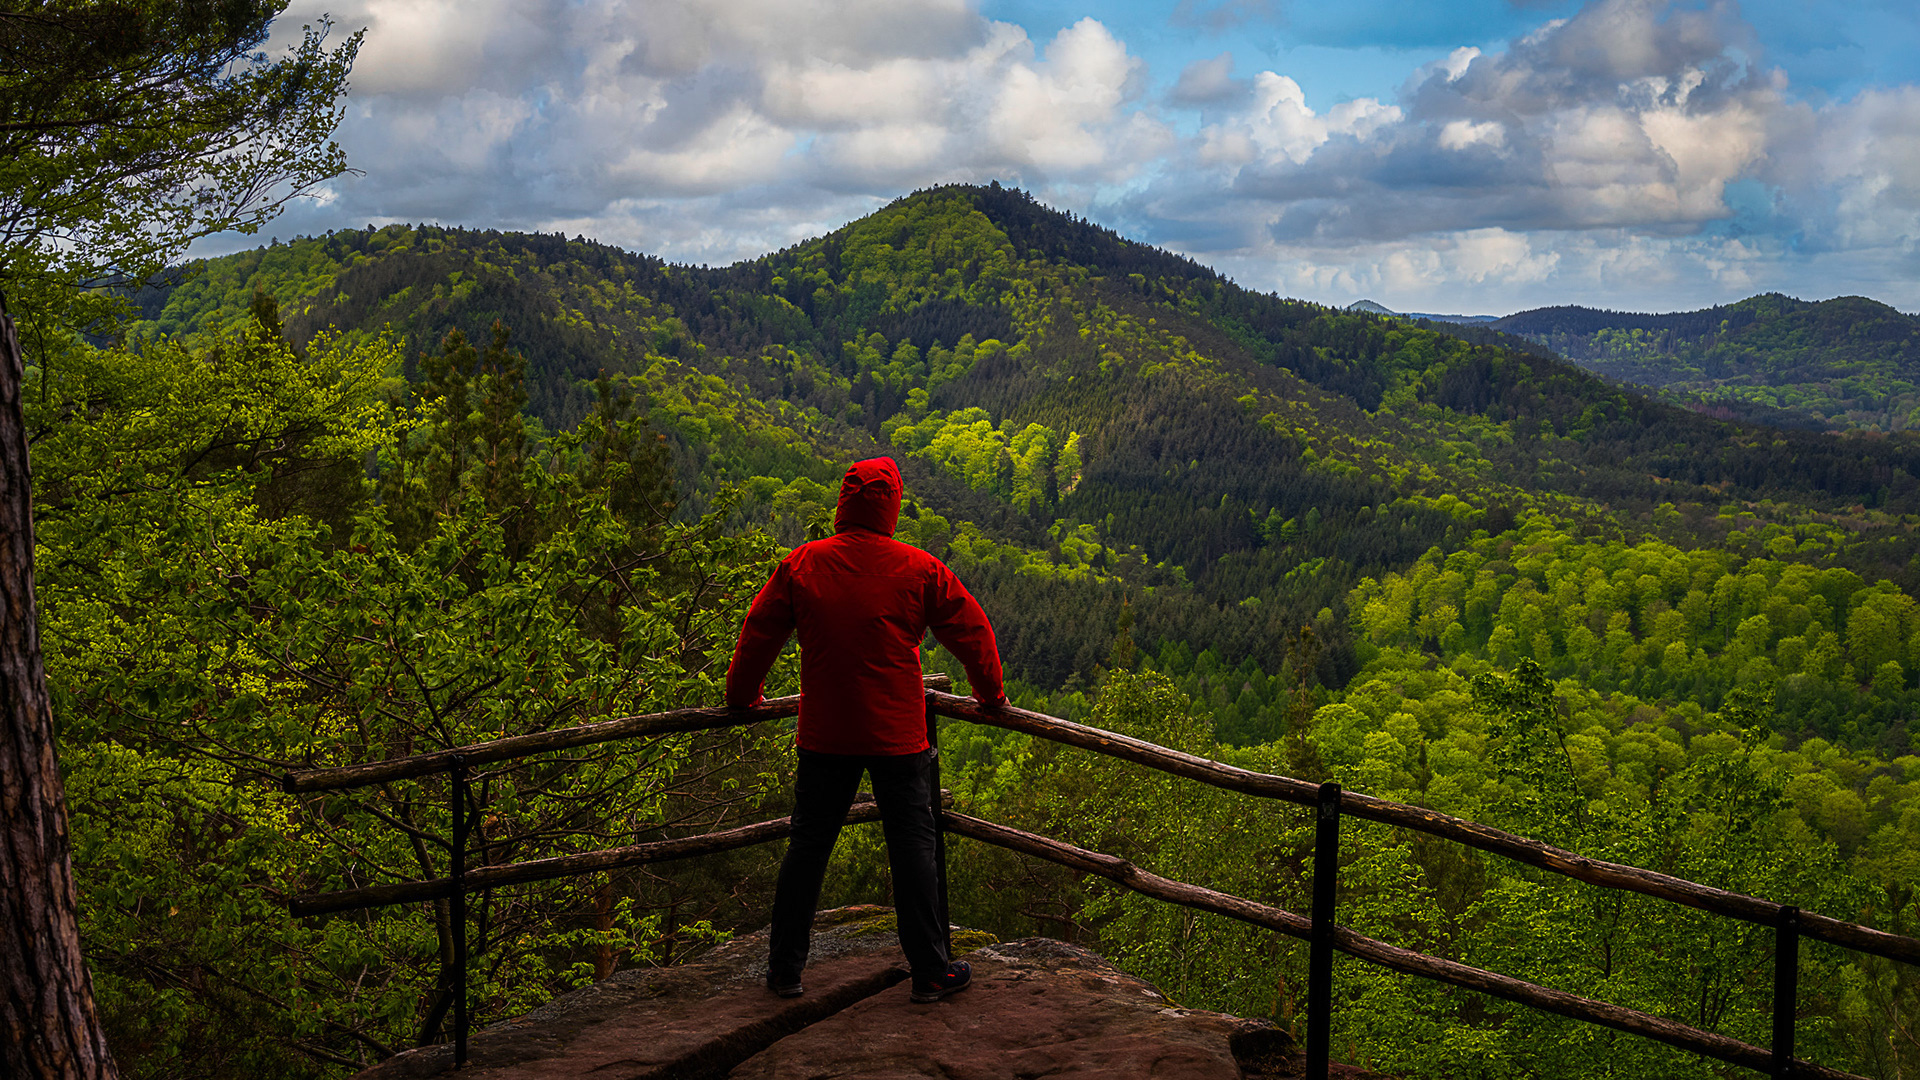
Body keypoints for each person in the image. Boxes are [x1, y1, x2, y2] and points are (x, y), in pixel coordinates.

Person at [726, 457, 1006, 1004]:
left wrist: (741, 697)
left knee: (808, 846)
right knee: (913, 848)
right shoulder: (921, 569)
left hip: (825, 731)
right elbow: (973, 632)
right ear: (893, 506)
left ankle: (784, 970)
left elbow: (758, 632)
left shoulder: (803, 564)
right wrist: (990, 696)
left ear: (843, 502)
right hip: (897, 734)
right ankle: (931, 972)